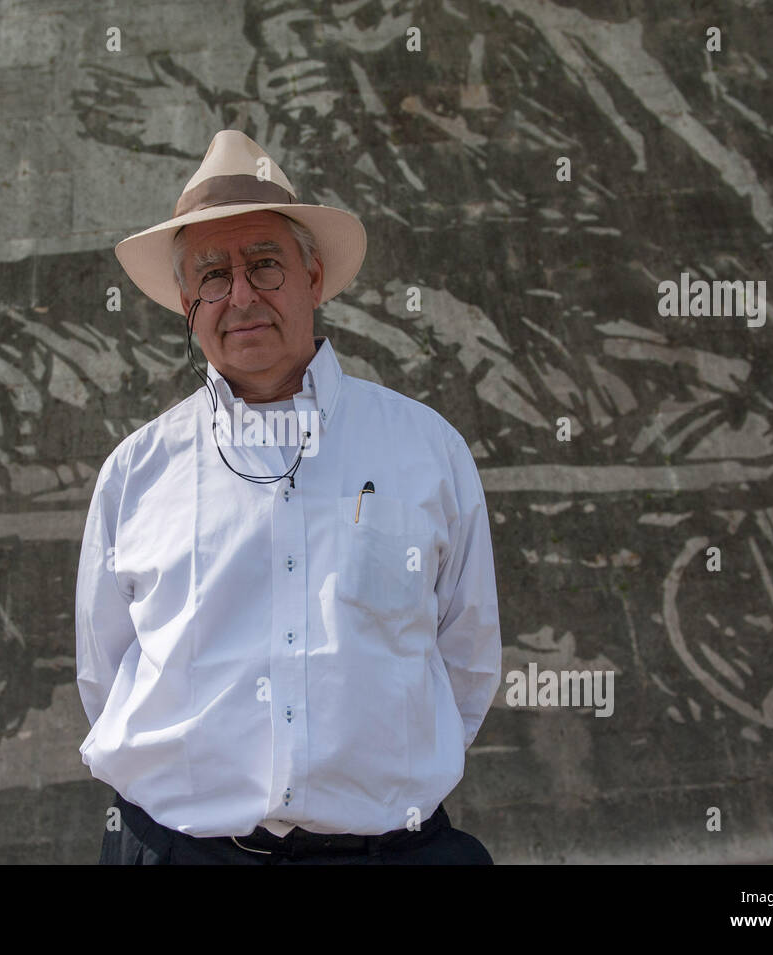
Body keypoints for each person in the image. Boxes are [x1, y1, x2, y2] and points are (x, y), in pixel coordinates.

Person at [75, 129, 502, 864]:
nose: (239, 295)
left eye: (264, 264)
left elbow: (466, 659)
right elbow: (105, 672)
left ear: (313, 276)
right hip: (180, 852)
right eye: (212, 275)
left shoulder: (425, 450)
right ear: (187, 300)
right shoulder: (136, 473)